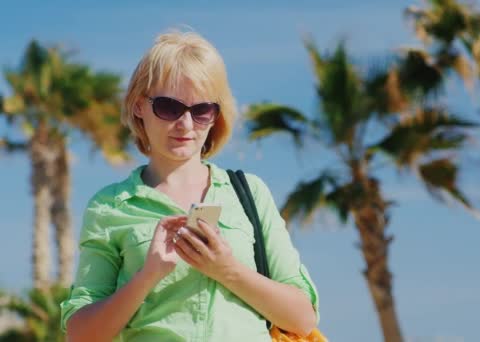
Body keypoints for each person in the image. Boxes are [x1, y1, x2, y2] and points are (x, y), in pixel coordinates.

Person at [60, 30, 319, 341]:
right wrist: (147, 275)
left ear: (216, 116)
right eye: (169, 107)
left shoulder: (249, 193)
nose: (185, 124)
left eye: (201, 111)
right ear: (139, 106)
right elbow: (81, 335)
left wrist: (227, 269)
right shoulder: (110, 205)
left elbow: (303, 318)